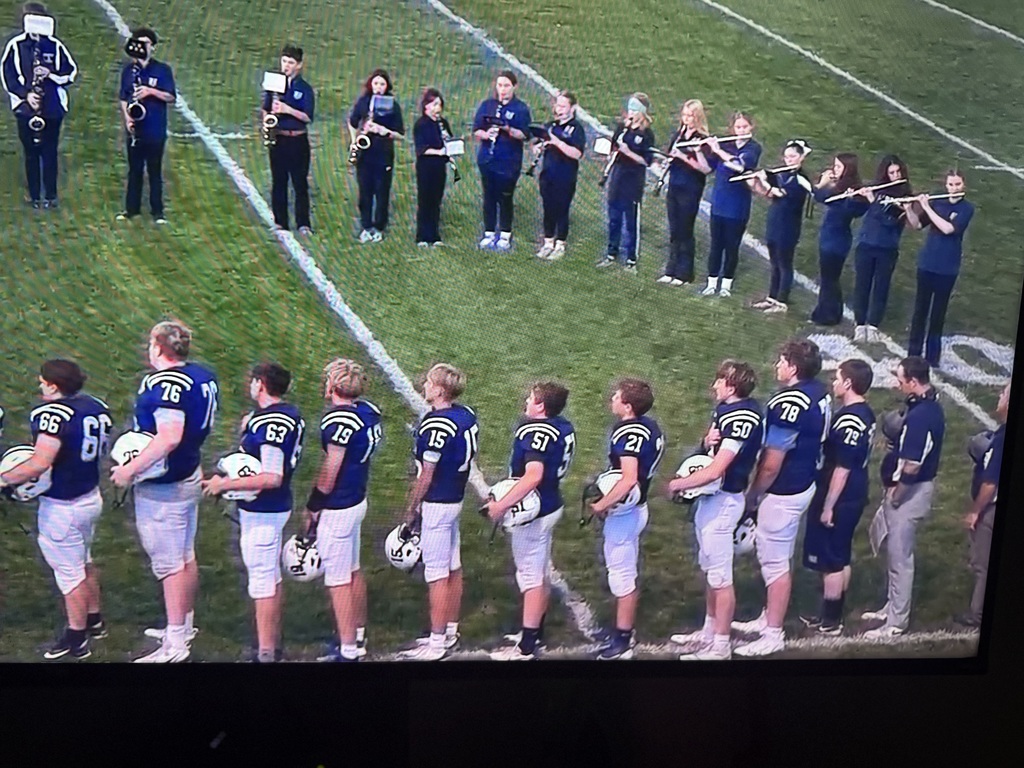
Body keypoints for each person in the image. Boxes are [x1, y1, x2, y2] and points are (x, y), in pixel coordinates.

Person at [110, 321, 219, 662]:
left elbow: (169, 436)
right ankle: (182, 626)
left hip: (165, 484)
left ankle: (175, 646)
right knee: (185, 556)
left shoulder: (166, 383)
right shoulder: (201, 374)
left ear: (159, 347)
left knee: (171, 565)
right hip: (188, 472)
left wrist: (129, 470)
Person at [0, 360, 112, 660]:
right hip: (90, 496)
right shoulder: (95, 406)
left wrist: (3, 480)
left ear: (53, 385)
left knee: (69, 573)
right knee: (84, 560)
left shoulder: (52, 414)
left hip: (63, 506)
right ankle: (94, 619)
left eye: (42, 382)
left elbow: (40, 462)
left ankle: (76, 638)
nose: (39, 386)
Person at [201, 363, 304, 663]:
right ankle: (272, 645)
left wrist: (224, 484)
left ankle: (266, 653)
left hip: (264, 511)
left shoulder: (271, 423)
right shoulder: (283, 414)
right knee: (269, 578)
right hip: (272, 509)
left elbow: (272, 476)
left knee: (262, 582)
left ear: (260, 384)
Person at [732, 339, 829, 656]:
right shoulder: (819, 391)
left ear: (793, 366)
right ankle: (766, 618)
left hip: (785, 488)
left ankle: (773, 634)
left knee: (775, 564)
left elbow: (773, 461)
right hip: (805, 481)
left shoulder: (790, 403)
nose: (777, 365)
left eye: (781, 360)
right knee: (775, 557)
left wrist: (754, 494)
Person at [667, 360, 763, 661]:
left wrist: (678, 484)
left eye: (719, 381)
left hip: (724, 501)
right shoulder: (726, 409)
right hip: (711, 501)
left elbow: (717, 470)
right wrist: (704, 442)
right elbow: (710, 453)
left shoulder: (742, 417)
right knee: (711, 571)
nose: (714, 386)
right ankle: (709, 631)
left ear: (732, 387)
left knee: (721, 577)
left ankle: (721, 646)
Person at [483, 382, 575, 660]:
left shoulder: (535, 432)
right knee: (538, 572)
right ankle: (534, 632)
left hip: (535, 510)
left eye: (531, 399)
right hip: (551, 502)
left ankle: (526, 648)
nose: (526, 401)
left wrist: (501, 505)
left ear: (541, 407)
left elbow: (533, 475)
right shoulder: (563, 426)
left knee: (531, 577)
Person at [302, 359, 382, 663]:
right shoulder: (368, 412)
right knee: (351, 569)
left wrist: (313, 506)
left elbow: (331, 468)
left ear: (333, 385)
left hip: (338, 505)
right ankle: (358, 635)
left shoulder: (338, 422)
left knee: (337, 579)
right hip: (357, 499)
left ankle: (348, 651)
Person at [398, 363, 479, 660]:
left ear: (441, 389)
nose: (425, 385)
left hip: (438, 502)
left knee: (436, 573)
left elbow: (427, 474)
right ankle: (449, 630)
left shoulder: (437, 425)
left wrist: (411, 508)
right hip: (455, 497)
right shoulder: (466, 414)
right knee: (452, 565)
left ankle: (436, 644)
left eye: (430, 382)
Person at [863, 356, 944, 639]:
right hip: (909, 490)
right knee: (894, 554)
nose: (897, 384)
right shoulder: (925, 406)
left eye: (900, 380)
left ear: (913, 381)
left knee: (900, 558)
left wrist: (897, 494)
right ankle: (892, 606)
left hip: (910, 493)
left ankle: (896, 622)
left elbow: (913, 464)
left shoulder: (922, 417)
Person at [587, 378, 665, 660]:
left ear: (628, 406)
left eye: (617, 396)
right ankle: (622, 632)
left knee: (621, 576)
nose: (612, 399)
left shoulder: (628, 433)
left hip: (626, 513)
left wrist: (600, 505)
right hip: (637, 508)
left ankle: (622, 641)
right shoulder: (651, 426)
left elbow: (629, 479)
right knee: (623, 572)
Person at [799, 359, 875, 636]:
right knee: (840, 555)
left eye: (837, 378)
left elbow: (842, 468)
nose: (833, 382)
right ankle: (833, 615)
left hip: (841, 494)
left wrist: (829, 506)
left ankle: (830, 621)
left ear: (848, 383)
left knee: (831, 558)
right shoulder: (863, 412)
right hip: (854, 491)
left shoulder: (850, 419)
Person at [1, 3, 78, 209]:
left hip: (52, 108)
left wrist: (50, 74)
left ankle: (51, 195)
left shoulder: (55, 45)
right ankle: (34, 195)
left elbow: (70, 73)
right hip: (26, 110)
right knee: (31, 152)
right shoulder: (16, 46)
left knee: (50, 150)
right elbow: (7, 75)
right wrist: (26, 96)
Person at [906, 171, 975, 367]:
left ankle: (932, 358)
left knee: (937, 314)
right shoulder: (938, 203)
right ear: (946, 186)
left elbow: (948, 229)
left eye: (957, 184)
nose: (953, 188)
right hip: (927, 264)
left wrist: (927, 207)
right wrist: (910, 208)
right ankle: (913, 353)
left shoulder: (966, 209)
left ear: (964, 186)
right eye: (951, 184)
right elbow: (917, 225)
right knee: (920, 311)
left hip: (947, 268)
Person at [955, 383, 1008, 629]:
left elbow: (990, 482)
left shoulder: (1003, 437)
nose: (999, 396)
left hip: (991, 509)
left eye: (1004, 393)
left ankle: (978, 615)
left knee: (984, 564)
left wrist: (975, 511)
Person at [851, 155, 914, 341]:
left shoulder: (906, 197)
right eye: (891, 173)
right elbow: (859, 210)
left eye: (898, 172)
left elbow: (890, 222)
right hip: (866, 244)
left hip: (887, 248)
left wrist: (874, 202)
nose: (895, 176)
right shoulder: (877, 191)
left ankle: (873, 324)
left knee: (881, 286)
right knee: (862, 285)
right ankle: (860, 323)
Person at [116, 27, 175, 224]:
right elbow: (123, 97)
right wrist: (127, 119)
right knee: (134, 170)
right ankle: (131, 209)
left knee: (154, 171)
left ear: (152, 47)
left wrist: (151, 91)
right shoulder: (128, 70)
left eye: (145, 43)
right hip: (135, 128)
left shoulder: (162, 70)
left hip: (155, 128)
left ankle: (157, 212)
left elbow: (170, 96)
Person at [749, 140, 814, 315]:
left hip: (788, 227)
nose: (788, 160)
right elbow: (770, 194)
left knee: (784, 263)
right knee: (775, 262)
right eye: (786, 156)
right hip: (775, 222)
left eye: (792, 156)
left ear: (801, 158)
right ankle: (772, 297)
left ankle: (782, 301)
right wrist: (757, 180)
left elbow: (780, 193)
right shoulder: (783, 174)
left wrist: (765, 181)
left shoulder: (801, 179)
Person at [700, 112, 761, 297]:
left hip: (738, 206)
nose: (741, 130)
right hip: (719, 203)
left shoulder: (753, 148)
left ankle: (726, 284)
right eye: (738, 127)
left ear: (751, 127)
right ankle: (711, 282)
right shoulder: (726, 144)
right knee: (716, 245)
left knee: (732, 246)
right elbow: (706, 168)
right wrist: (701, 149)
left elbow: (740, 166)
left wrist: (718, 150)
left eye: (744, 127)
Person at [472, 70, 532, 251]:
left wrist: (507, 129)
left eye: (506, 86)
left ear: (514, 87)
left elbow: (525, 134)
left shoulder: (520, 108)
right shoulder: (488, 105)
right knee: (489, 196)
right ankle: (489, 231)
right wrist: (486, 133)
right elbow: (476, 130)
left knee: (505, 197)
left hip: (509, 161)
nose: (503, 90)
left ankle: (505, 233)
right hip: (488, 159)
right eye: (500, 85)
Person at [596, 93, 655, 274]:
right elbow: (614, 146)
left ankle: (631, 259)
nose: (631, 113)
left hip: (633, 181)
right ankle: (611, 252)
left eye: (635, 110)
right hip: (617, 177)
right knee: (614, 218)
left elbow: (647, 161)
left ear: (643, 113)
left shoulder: (646, 135)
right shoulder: (622, 128)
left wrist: (628, 152)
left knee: (631, 221)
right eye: (630, 109)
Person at [656, 99, 712, 285]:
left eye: (690, 116)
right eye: (685, 115)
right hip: (675, 185)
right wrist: (667, 161)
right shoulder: (678, 135)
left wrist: (687, 156)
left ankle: (685, 273)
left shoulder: (702, 138)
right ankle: (671, 269)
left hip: (691, 188)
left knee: (685, 230)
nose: (686, 119)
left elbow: (705, 168)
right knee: (674, 229)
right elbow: (672, 156)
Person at [809, 154, 867, 326]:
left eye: (839, 167)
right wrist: (827, 182)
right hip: (829, 237)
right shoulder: (839, 187)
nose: (835, 170)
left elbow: (853, 211)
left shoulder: (852, 190)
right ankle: (827, 311)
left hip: (837, 241)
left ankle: (829, 314)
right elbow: (820, 197)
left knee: (830, 278)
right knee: (828, 277)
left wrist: (848, 198)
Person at [263, 44, 314, 235]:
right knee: (279, 181)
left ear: (299, 65)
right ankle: (280, 222)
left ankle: (303, 223)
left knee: (300, 183)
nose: (286, 66)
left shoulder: (305, 89)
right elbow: (266, 107)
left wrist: (287, 110)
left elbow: (308, 116)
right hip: (279, 138)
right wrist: (266, 123)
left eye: (291, 62)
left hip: (298, 140)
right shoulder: (274, 83)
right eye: (284, 61)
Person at [349, 68, 404, 243]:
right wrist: (354, 140)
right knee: (364, 191)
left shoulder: (392, 105)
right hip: (365, 154)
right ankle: (366, 226)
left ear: (387, 86)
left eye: (382, 84)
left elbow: (400, 134)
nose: (378, 87)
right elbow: (352, 122)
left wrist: (384, 131)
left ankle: (379, 226)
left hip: (383, 154)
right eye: (375, 83)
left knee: (382, 192)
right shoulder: (364, 102)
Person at [533, 90, 586, 260]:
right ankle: (548, 241)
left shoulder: (576, 129)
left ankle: (560, 244)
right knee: (548, 207)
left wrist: (556, 142)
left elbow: (577, 153)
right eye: (558, 105)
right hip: (548, 173)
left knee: (562, 209)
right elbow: (537, 144)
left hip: (565, 175)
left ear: (572, 108)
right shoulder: (551, 125)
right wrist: (538, 147)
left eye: (563, 106)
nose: (559, 109)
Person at [413, 87, 456, 247]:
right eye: (434, 104)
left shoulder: (442, 123)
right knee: (425, 200)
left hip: (439, 167)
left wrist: (451, 147)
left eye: (439, 104)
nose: (437, 108)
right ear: (426, 106)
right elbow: (421, 148)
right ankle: (422, 236)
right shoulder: (421, 124)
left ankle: (434, 235)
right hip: (426, 167)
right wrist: (439, 151)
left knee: (436, 201)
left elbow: (448, 140)